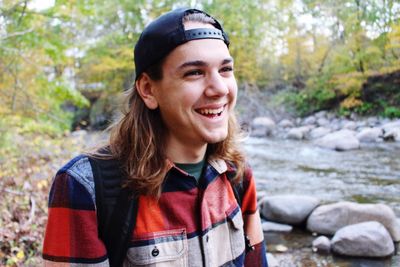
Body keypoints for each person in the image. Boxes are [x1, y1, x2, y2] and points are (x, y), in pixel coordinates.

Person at [43, 7, 268, 267]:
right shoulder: (85, 188)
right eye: (194, 72)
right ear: (148, 90)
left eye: (226, 69)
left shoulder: (237, 175)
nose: (219, 88)